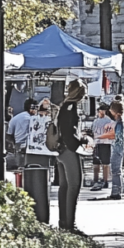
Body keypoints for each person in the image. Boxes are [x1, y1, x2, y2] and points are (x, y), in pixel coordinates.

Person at [53, 79, 87, 232]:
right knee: (73, 186)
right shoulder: (71, 107)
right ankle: (70, 224)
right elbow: (69, 132)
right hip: (69, 150)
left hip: (60, 150)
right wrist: (82, 140)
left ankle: (64, 222)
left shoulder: (64, 106)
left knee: (64, 187)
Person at [96, 101, 124, 200]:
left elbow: (117, 135)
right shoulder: (120, 121)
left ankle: (116, 191)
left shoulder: (119, 122)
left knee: (115, 170)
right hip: (118, 147)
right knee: (116, 170)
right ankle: (116, 190)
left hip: (117, 148)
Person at [90, 103, 114, 191]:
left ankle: (105, 180)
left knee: (105, 163)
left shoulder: (109, 121)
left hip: (105, 143)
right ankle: (96, 179)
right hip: (97, 143)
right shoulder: (96, 121)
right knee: (96, 162)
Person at [8, 102, 34, 170]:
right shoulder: (32, 118)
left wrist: (14, 144)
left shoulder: (15, 118)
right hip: (31, 144)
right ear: (31, 109)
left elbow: (9, 134)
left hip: (18, 143)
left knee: (20, 166)